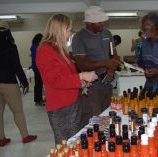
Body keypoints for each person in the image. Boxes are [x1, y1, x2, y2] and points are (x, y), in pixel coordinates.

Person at [36, 14, 98, 145]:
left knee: (75, 142)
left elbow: (67, 75)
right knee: (66, 144)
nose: (71, 33)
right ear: (60, 29)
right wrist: (81, 76)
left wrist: (81, 83)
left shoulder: (60, 49)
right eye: (69, 29)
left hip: (73, 102)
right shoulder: (45, 51)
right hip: (61, 108)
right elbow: (56, 80)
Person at [0, 21, 37, 147]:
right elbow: (16, 66)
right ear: (7, 32)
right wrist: (24, 83)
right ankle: (25, 136)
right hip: (8, 82)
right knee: (17, 111)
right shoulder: (11, 47)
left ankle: (2, 139)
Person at [71, 6, 120, 118]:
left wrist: (111, 68)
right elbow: (81, 64)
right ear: (89, 23)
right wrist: (104, 63)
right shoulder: (79, 38)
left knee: (107, 115)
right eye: (100, 21)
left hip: (108, 82)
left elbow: (114, 53)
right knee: (93, 118)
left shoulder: (107, 33)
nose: (103, 24)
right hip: (91, 86)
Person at [30, 33, 44, 106]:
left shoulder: (34, 46)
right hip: (38, 67)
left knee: (38, 84)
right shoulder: (36, 47)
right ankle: (38, 100)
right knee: (39, 84)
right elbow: (38, 58)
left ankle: (39, 99)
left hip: (36, 67)